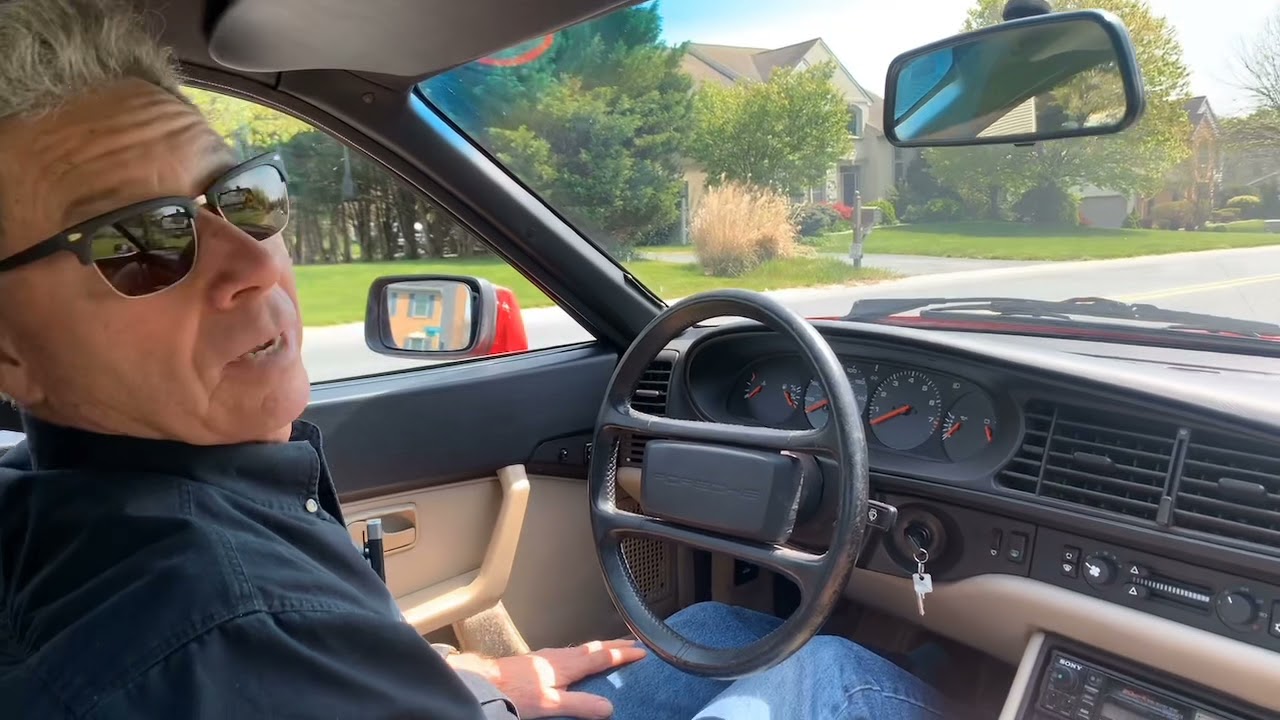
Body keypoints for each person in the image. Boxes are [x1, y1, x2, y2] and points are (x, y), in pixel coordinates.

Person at [0, 0, 949, 718]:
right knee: (829, 671)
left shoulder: (54, 508)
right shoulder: (232, 636)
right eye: (142, 242)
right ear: (10, 354)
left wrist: (465, 683)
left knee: (716, 630)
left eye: (244, 197)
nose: (254, 264)